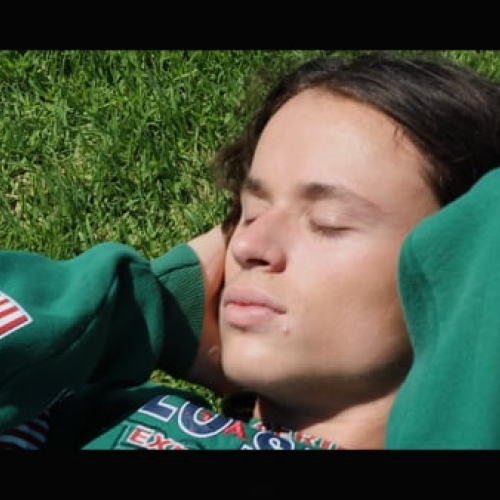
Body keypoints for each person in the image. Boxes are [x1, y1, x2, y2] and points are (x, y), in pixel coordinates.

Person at [2, 51, 500, 449]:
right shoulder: (85, 412)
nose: (244, 244)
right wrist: (149, 304)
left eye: (327, 223)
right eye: (250, 211)